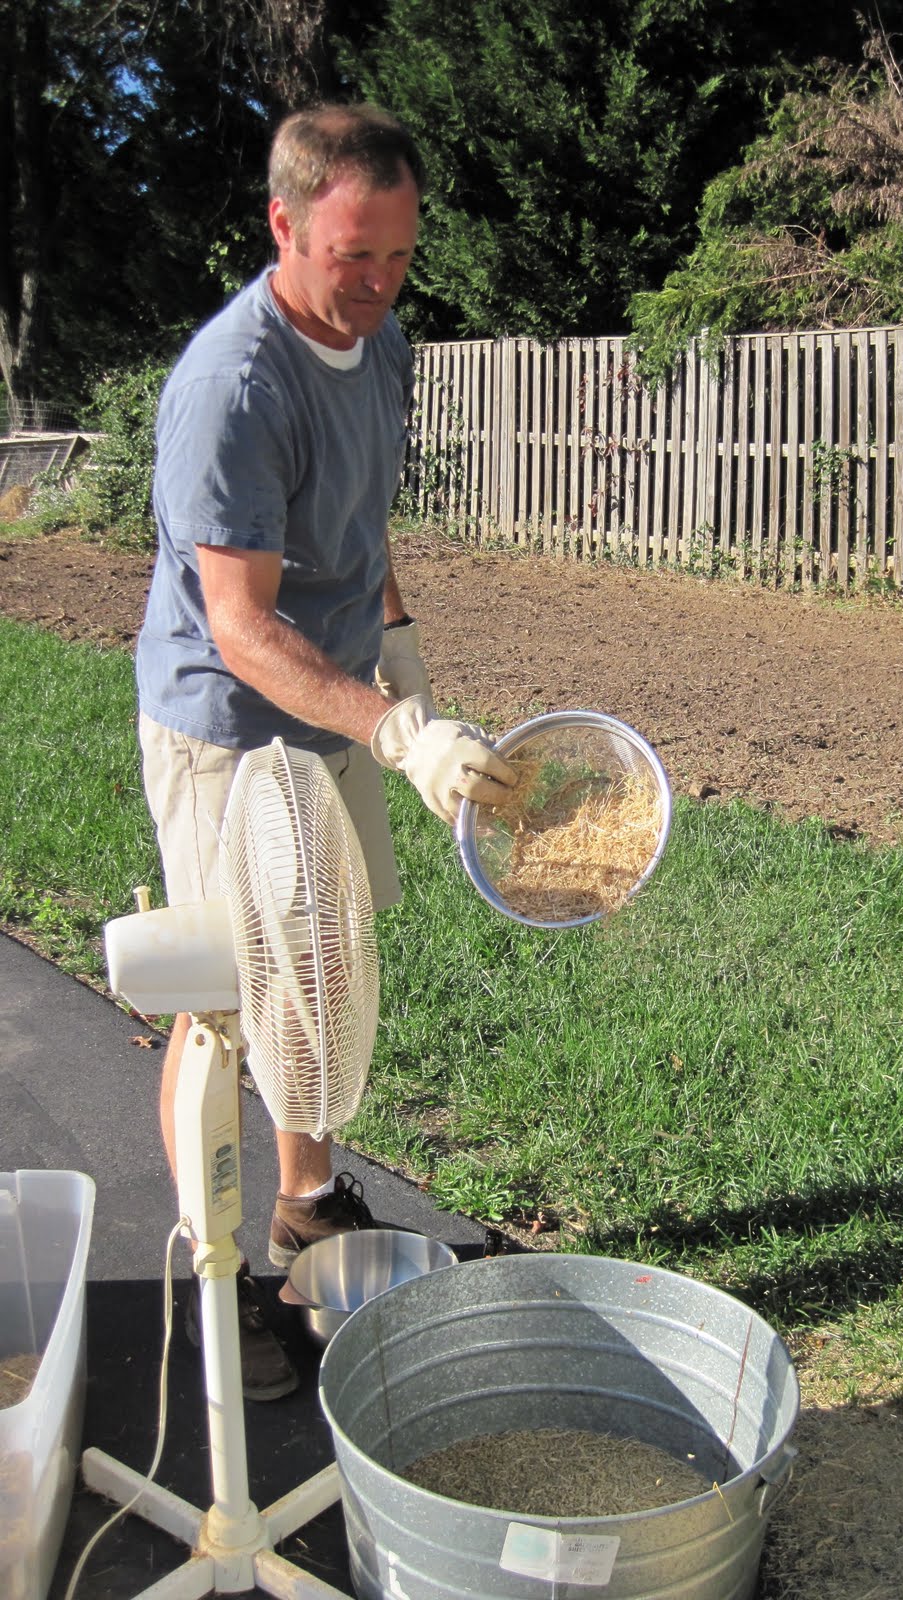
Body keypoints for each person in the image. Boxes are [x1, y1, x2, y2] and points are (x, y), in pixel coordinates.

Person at [135, 103, 515, 1400]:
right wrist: (400, 729)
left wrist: (397, 651)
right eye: (354, 255)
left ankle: (305, 1204)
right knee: (229, 1000)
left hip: (345, 697)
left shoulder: (383, 340)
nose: (379, 285)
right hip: (228, 728)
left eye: (401, 257)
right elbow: (238, 627)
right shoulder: (233, 385)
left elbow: (360, 523)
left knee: (326, 962)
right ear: (283, 223)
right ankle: (214, 1267)